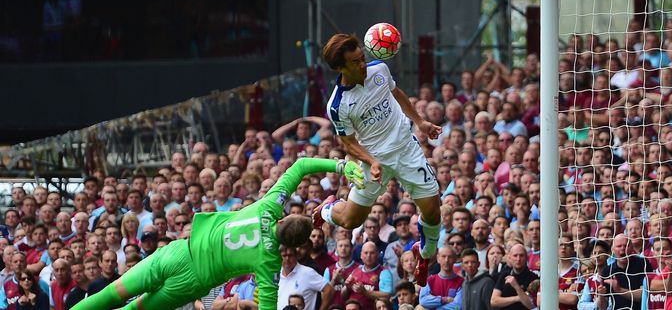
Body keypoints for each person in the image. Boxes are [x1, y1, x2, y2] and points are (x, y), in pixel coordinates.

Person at [70, 157, 364, 310]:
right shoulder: (269, 262)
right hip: (192, 282)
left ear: (287, 216)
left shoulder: (267, 207)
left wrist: (342, 166)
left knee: (112, 293)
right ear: (293, 247)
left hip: (178, 252)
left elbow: (301, 166)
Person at [315, 34, 443, 286]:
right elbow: (348, 143)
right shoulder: (337, 105)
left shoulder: (380, 69)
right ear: (340, 67)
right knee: (352, 221)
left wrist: (420, 122)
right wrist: (371, 161)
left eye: (362, 57)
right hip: (374, 162)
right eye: (355, 62)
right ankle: (328, 209)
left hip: (407, 149)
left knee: (432, 210)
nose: (363, 64)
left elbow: (397, 93)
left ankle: (424, 255)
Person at [277, 245, 333, 310]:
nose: (287, 259)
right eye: (284, 256)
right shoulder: (276, 273)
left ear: (296, 256)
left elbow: (329, 290)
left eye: (290, 255)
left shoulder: (307, 272)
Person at [490, 244, 538, 310]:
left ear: (527, 258)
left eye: (521, 255)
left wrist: (517, 287)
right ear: (509, 258)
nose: (518, 259)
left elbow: (532, 306)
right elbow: (494, 301)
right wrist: (517, 298)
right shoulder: (504, 275)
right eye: (515, 256)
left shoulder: (533, 278)